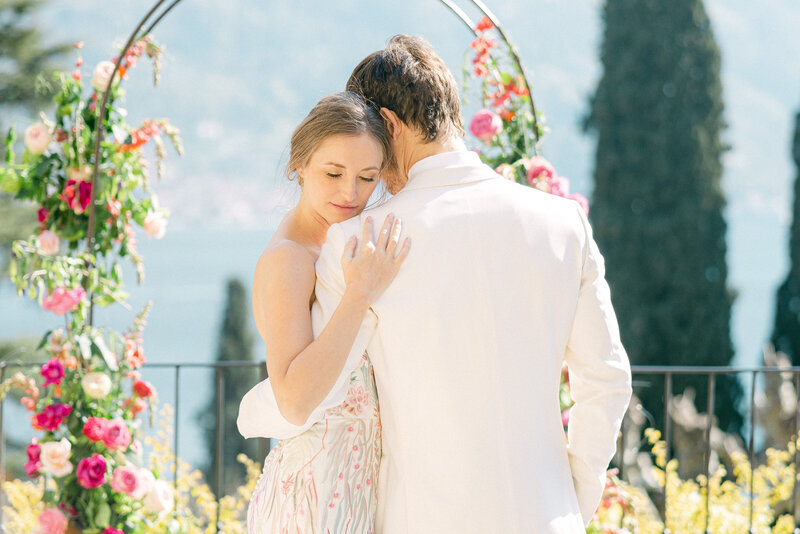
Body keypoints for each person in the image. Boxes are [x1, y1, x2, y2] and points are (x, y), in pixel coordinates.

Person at [308, 35, 632, 532]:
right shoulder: (563, 223)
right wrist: (572, 499)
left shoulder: (356, 244)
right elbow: (606, 378)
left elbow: (325, 402)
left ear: (388, 126)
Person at [238, 91, 410, 533]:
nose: (350, 193)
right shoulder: (289, 260)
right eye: (333, 173)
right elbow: (294, 402)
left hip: (353, 486)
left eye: (368, 178)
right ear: (299, 163)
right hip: (313, 496)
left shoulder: (335, 244)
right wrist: (359, 295)